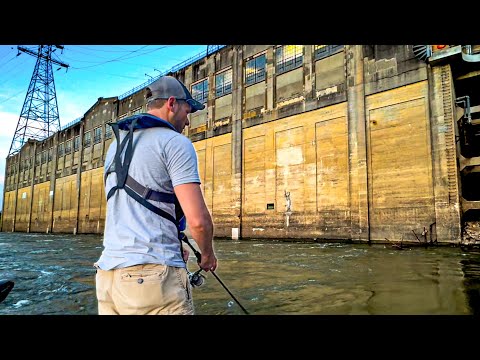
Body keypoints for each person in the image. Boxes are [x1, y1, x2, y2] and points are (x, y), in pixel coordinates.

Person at [94, 76, 217, 315]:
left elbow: (131, 210)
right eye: (187, 110)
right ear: (172, 103)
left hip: (107, 278)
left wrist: (172, 242)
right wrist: (208, 256)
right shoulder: (175, 143)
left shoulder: (114, 148)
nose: (188, 121)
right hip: (152, 280)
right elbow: (199, 222)